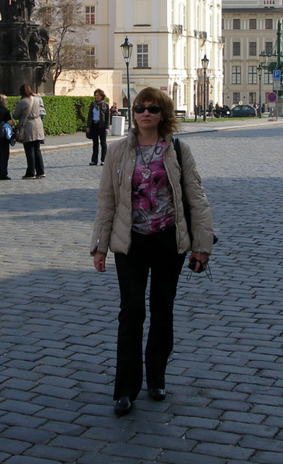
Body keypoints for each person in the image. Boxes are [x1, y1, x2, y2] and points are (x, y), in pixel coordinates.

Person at [90, 87, 215, 417]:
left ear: (164, 114)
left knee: (162, 310)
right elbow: (107, 202)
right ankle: (126, 388)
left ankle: (156, 376)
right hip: (129, 242)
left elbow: (196, 199)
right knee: (131, 313)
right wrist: (99, 246)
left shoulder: (177, 150)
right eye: (140, 108)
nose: (145, 113)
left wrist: (202, 247)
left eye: (153, 109)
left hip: (167, 242)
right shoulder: (117, 152)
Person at [12, 84, 46, 179]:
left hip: (28, 126)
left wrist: (13, 111)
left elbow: (16, 115)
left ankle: (31, 172)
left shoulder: (21, 102)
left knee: (29, 150)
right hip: (38, 125)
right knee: (37, 150)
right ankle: (40, 171)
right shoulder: (36, 99)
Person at [87, 88, 111, 165]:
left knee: (103, 143)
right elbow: (89, 115)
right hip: (94, 125)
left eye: (98, 95)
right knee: (95, 143)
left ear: (102, 96)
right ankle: (94, 160)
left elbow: (107, 117)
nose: (97, 97)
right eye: (96, 95)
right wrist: (88, 126)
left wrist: (107, 127)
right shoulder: (92, 104)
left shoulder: (105, 104)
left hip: (102, 125)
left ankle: (104, 160)